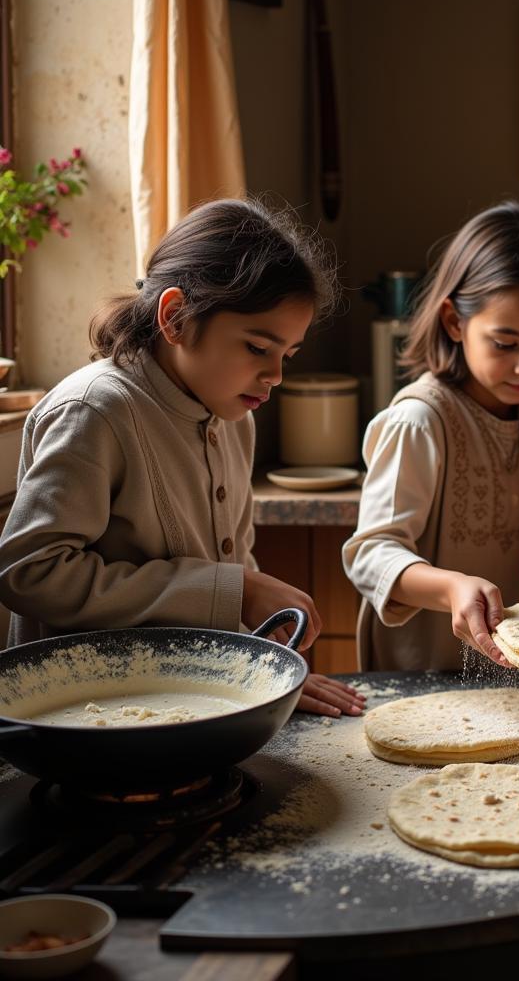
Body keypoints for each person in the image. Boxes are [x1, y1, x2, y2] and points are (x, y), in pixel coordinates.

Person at [0, 198, 365, 719]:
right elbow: (28, 572)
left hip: (193, 708)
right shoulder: (97, 410)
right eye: (257, 348)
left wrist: (259, 668)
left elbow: (232, 566)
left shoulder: (235, 417)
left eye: (287, 355)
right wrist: (233, 590)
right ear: (175, 317)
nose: (276, 376)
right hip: (89, 716)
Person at [343, 201, 519, 671]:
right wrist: (451, 587)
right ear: (455, 322)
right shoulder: (419, 421)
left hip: (515, 677)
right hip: (422, 675)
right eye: (505, 344)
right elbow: (371, 555)